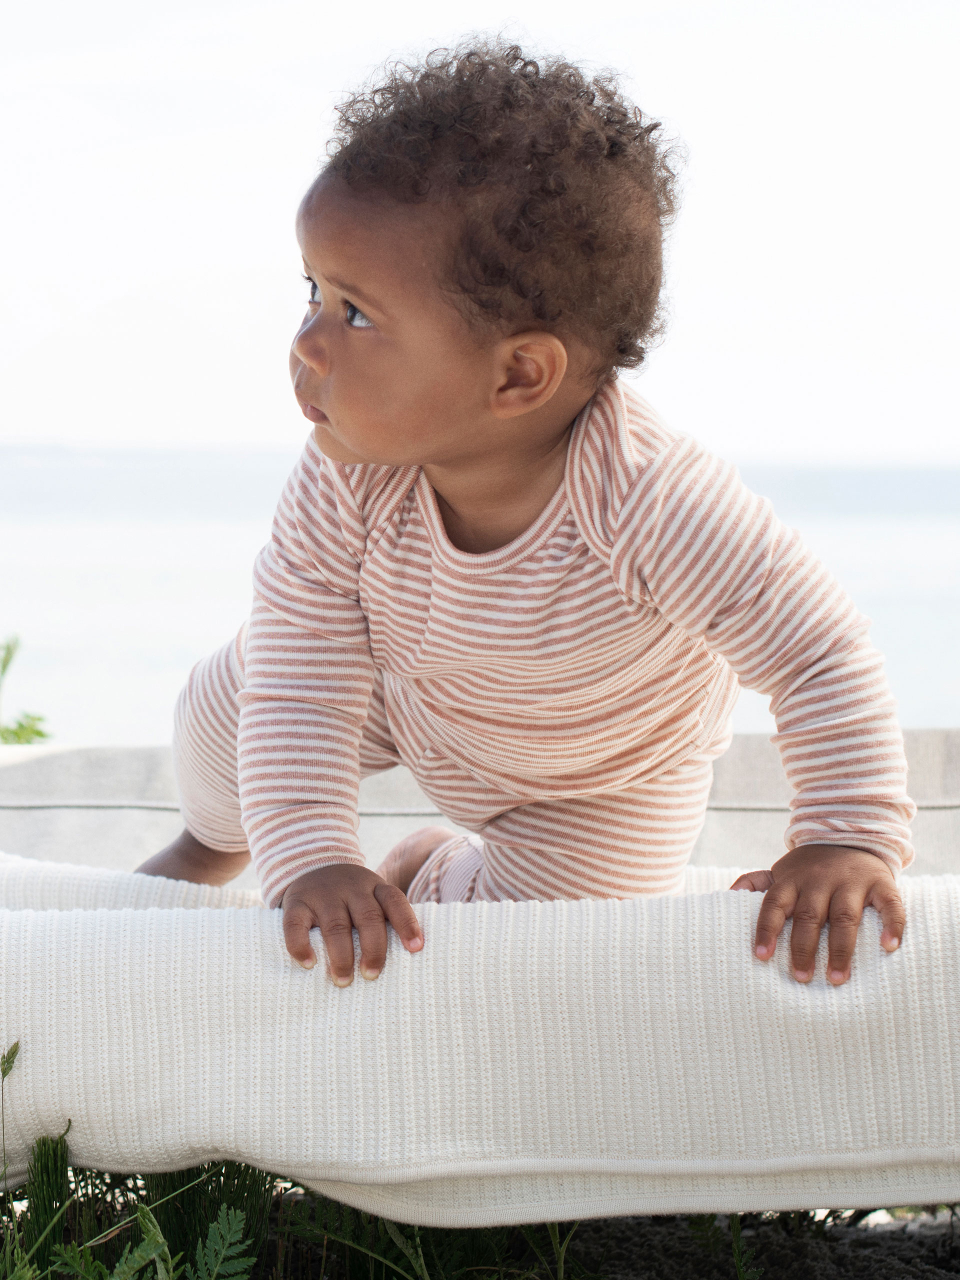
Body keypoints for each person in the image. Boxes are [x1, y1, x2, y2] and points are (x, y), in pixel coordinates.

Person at [136, 41, 914, 991]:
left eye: (356, 314)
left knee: (551, 949)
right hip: (403, 690)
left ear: (518, 375)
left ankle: (429, 867)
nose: (307, 342)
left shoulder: (654, 499)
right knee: (237, 698)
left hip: (603, 772)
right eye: (314, 292)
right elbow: (303, 680)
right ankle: (211, 842)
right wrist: (311, 860)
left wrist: (844, 835)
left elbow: (819, 654)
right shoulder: (347, 475)